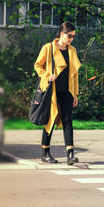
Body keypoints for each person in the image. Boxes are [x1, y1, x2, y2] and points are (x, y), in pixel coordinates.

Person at [34, 21, 81, 165]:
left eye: (73, 36)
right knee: (50, 120)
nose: (71, 39)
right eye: (69, 36)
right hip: (52, 90)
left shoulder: (72, 50)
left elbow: (75, 74)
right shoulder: (48, 48)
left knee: (68, 121)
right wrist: (47, 76)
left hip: (67, 90)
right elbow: (37, 65)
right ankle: (45, 152)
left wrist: (75, 94)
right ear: (62, 33)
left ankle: (70, 155)